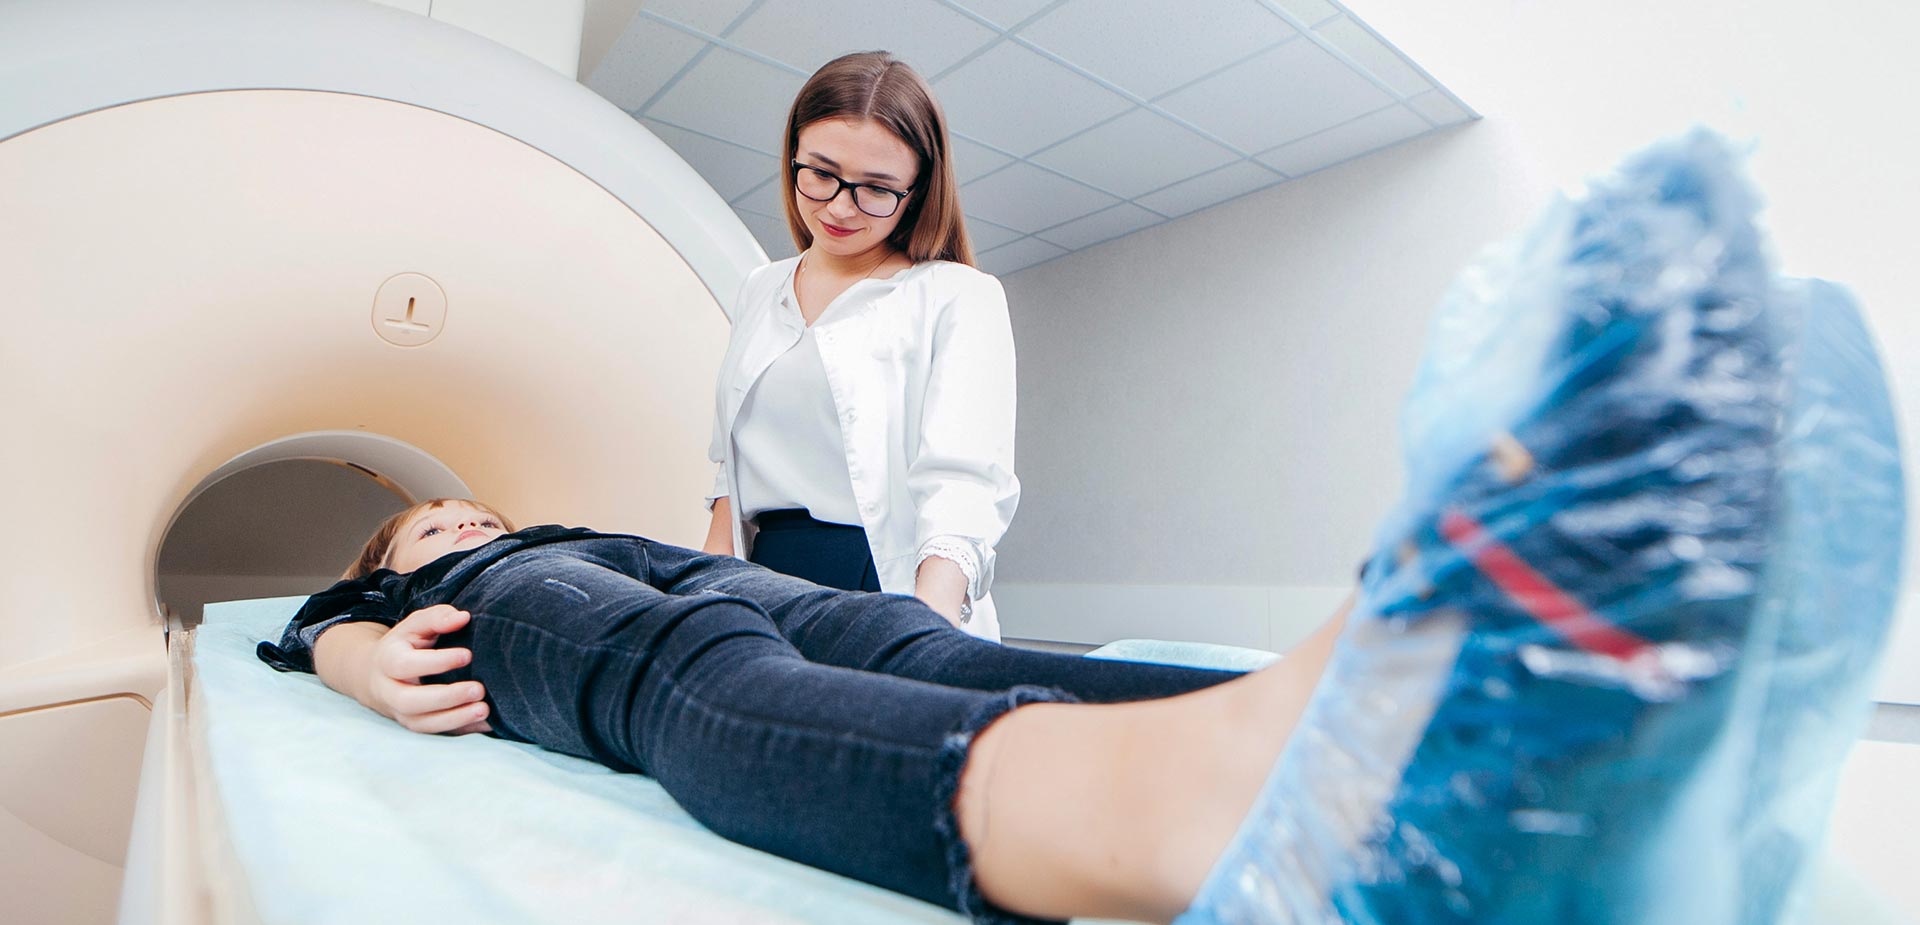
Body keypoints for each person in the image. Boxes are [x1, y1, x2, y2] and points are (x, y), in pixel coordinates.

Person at [260, 131, 1887, 924]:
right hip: (597, 626)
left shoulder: (576, 513)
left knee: (918, 645)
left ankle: (1458, 743)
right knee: (688, 669)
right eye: (439, 520)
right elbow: (294, 628)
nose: (465, 513)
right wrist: (354, 644)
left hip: (733, 578)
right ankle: (1245, 817)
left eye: (470, 504)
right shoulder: (463, 575)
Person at [700, 51, 1017, 639]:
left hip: (885, 583)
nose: (840, 207)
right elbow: (731, 472)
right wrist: (702, 597)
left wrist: (928, 629)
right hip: (759, 582)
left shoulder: (956, 295)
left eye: (876, 188)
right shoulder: (760, 288)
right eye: (820, 173)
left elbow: (964, 483)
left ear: (918, 192)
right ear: (792, 154)